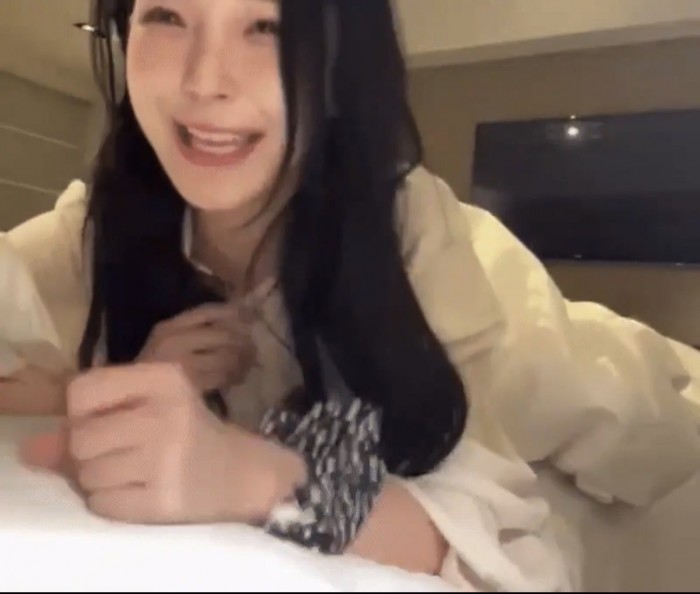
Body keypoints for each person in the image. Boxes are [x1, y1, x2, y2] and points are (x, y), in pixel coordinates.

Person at [3, 0, 700, 590]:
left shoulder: (407, 231)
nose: (204, 81)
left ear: (339, 64)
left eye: (267, 26)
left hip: (576, 373)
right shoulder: (94, 227)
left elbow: (512, 552)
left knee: (650, 409)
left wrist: (249, 476)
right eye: (165, 15)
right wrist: (107, 386)